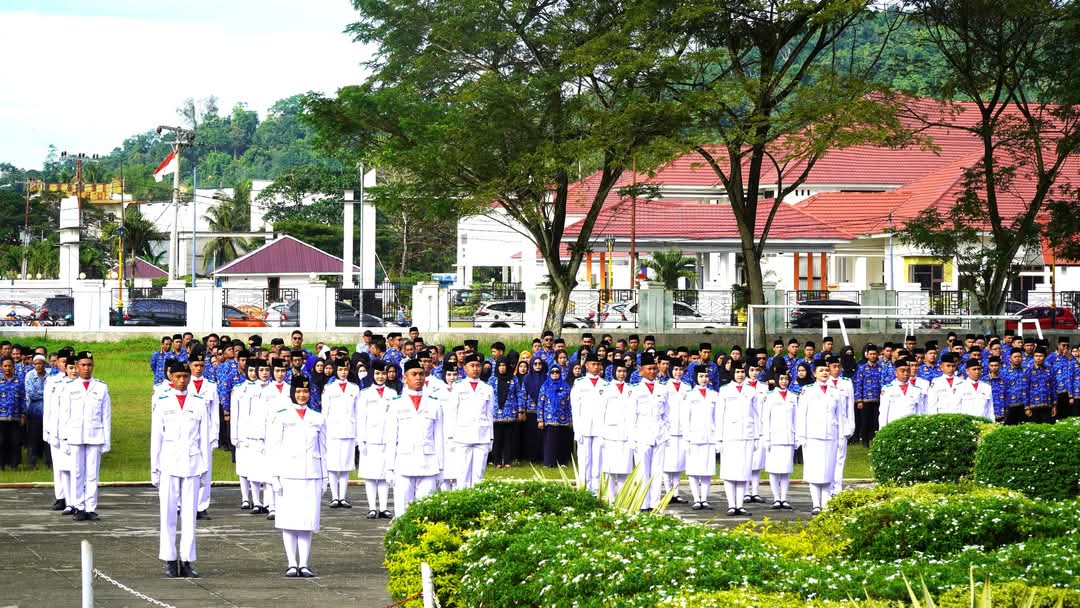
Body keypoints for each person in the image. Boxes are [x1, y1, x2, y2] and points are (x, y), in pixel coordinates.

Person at [150, 361, 212, 578]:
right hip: (168, 462)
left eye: (185, 376)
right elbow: (156, 437)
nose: (182, 380)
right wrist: (154, 468)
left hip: (193, 463)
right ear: (171, 377)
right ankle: (169, 558)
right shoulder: (162, 400)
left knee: (189, 516)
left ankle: (187, 559)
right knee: (167, 514)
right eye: (178, 377)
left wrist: (206, 470)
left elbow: (204, 438)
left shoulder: (199, 402)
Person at [269, 375, 327, 578]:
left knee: (307, 521)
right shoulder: (282, 416)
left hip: (311, 474)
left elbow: (323, 450)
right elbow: (273, 447)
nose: (302, 395)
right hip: (287, 474)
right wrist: (274, 476)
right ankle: (291, 563)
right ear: (292, 393)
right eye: (298, 392)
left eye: (305, 391)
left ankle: (304, 563)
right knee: (289, 520)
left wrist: (324, 477)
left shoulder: (317, 418)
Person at [386, 359, 445, 515]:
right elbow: (391, 437)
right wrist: (389, 468)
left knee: (426, 510)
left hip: (428, 464)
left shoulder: (434, 403)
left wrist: (441, 467)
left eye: (421, 374)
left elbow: (439, 437)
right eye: (414, 374)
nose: (418, 378)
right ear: (405, 378)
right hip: (404, 463)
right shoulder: (396, 403)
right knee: (402, 510)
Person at [59, 351, 111, 521]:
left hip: (95, 435)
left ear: (93, 366)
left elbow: (106, 416)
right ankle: (78, 506)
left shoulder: (101, 387)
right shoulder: (70, 387)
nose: (86, 368)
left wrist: (107, 440)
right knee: (77, 472)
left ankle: (90, 507)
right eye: (83, 365)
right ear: (77, 366)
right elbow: (64, 415)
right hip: (75, 436)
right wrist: (64, 439)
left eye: (89, 365)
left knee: (92, 474)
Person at [445, 354, 495, 488]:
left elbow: (490, 414)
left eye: (478, 366)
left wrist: (491, 438)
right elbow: (452, 413)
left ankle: (476, 502)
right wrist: (450, 437)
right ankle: (463, 501)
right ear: (465, 368)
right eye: (472, 366)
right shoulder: (458, 387)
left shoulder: (487, 388)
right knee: (462, 474)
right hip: (462, 436)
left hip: (482, 435)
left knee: (479, 474)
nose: (475, 369)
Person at [797, 365, 841, 514]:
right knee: (814, 471)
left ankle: (826, 504)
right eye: (821, 371)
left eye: (827, 371)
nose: (825, 373)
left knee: (828, 471)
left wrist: (840, 436)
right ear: (815, 373)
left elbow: (840, 416)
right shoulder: (807, 390)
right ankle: (816, 504)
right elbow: (801, 414)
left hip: (831, 435)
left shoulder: (835, 392)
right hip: (813, 436)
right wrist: (801, 435)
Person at [716, 363, 759, 516]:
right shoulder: (725, 390)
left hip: (746, 435)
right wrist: (719, 439)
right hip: (730, 436)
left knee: (743, 472)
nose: (740, 375)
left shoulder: (751, 391)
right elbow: (719, 415)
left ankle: (740, 505)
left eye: (742, 372)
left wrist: (756, 436)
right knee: (729, 472)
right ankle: (731, 505)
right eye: (737, 372)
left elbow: (756, 415)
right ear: (732, 373)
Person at [358, 360, 398, 519]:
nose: (380, 377)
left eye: (383, 373)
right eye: (377, 374)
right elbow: (361, 418)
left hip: (387, 438)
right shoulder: (365, 393)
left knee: (384, 475)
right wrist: (361, 440)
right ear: (372, 374)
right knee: (370, 475)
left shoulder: (392, 393)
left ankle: (383, 507)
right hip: (370, 439)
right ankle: (372, 507)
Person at [629, 353, 669, 511]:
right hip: (642, 434)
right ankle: (642, 503)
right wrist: (632, 438)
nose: (653, 372)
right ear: (641, 370)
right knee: (642, 471)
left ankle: (655, 504)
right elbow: (631, 416)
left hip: (659, 433)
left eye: (654, 368)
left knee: (657, 472)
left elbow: (667, 414)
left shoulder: (663, 389)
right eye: (649, 369)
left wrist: (667, 434)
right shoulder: (636, 390)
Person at [322, 360, 360, 508]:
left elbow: (357, 412)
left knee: (345, 465)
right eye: (340, 369)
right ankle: (334, 496)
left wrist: (357, 434)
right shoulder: (329, 388)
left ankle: (342, 497)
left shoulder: (354, 388)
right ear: (336, 371)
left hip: (349, 430)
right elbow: (325, 411)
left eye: (345, 369)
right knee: (332, 465)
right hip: (332, 430)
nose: (343, 372)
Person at [682, 367, 719, 510]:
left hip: (709, 436)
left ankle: (704, 499)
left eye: (706, 376)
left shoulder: (714, 395)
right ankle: (696, 499)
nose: (704, 379)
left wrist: (717, 438)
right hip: (694, 436)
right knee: (693, 469)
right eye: (701, 376)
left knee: (707, 470)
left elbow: (716, 418)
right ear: (695, 377)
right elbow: (685, 419)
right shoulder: (689, 395)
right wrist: (686, 438)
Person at [231, 361, 265, 511]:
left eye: (254, 370)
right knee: (243, 468)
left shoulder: (263, 389)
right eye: (250, 370)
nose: (252, 373)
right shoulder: (239, 389)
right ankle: (245, 498)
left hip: (257, 434)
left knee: (256, 468)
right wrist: (234, 436)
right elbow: (235, 414)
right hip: (242, 433)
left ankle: (258, 500)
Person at [44, 352, 76, 511]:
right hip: (54, 428)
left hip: (70, 431)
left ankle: (73, 498)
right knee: (58, 466)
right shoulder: (52, 381)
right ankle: (61, 496)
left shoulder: (77, 381)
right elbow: (48, 408)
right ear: (57, 364)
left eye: (67, 362)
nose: (64, 365)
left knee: (72, 466)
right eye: (62, 362)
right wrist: (47, 430)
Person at [569, 353, 606, 494]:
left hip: (600, 428)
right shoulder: (579, 383)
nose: (596, 367)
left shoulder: (605, 384)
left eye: (598, 364)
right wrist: (577, 430)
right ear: (587, 365)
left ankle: (596, 489)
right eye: (593, 364)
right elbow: (575, 408)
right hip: (584, 427)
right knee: (585, 459)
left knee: (598, 459)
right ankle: (584, 487)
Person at [188, 357, 218, 520]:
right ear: (190, 366)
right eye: (195, 365)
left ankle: (201, 506)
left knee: (205, 469)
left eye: (201, 365)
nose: (199, 368)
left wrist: (214, 434)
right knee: (188, 468)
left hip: (206, 432)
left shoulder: (211, 386)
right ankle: (184, 505)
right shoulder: (185, 384)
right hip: (191, 432)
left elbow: (214, 413)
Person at [599, 362, 635, 500]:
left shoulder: (631, 389)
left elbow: (633, 412)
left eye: (624, 371)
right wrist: (601, 434)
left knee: (624, 468)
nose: (622, 374)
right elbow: (600, 412)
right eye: (619, 371)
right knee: (610, 469)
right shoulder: (606, 389)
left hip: (626, 433)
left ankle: (621, 498)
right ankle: (610, 498)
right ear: (614, 371)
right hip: (610, 433)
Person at [762, 371, 797, 510]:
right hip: (774, 437)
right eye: (781, 378)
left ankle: (784, 498)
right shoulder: (770, 397)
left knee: (786, 470)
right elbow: (766, 419)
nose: (784, 381)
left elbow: (796, 418)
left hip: (788, 437)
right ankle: (776, 498)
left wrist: (796, 437)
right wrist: (766, 438)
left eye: (786, 379)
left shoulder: (793, 397)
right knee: (774, 470)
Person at [824, 356, 855, 496]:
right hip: (829, 426)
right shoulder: (824, 384)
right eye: (833, 366)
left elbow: (850, 407)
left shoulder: (847, 383)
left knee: (840, 458)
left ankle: (838, 487)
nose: (836, 369)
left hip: (843, 425)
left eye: (838, 366)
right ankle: (828, 485)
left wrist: (851, 426)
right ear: (828, 368)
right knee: (829, 457)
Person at [538, 364, 572, 468]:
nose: (555, 374)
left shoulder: (565, 386)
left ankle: (562, 462)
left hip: (563, 419)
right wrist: (540, 419)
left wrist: (570, 419)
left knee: (562, 441)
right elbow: (540, 403)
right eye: (552, 372)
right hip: (549, 418)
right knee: (550, 441)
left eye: (557, 372)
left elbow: (569, 404)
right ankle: (549, 462)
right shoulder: (545, 386)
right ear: (549, 373)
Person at [489, 358, 521, 469]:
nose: (502, 367)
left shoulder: (514, 379)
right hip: (496, 414)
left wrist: (520, 410)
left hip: (510, 413)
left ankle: (507, 461)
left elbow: (519, 394)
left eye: (504, 365)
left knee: (509, 439)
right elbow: (488, 396)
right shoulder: (492, 379)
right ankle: (497, 461)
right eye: (500, 365)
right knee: (497, 439)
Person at [879, 358, 924, 429]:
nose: (906, 374)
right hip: (893, 426)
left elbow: (920, 411)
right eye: (902, 371)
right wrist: (882, 430)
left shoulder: (916, 390)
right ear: (896, 373)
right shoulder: (888, 389)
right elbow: (883, 412)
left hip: (911, 426)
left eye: (908, 371)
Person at [0, 356, 25, 470]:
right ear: (1, 367)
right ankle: (1, 466)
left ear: (13, 367)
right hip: (1, 418)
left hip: (15, 417)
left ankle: (14, 466)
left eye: (10, 366)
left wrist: (23, 414)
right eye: (5, 366)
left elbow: (23, 399)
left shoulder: (19, 381)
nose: (7, 368)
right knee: (1, 442)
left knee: (15, 442)